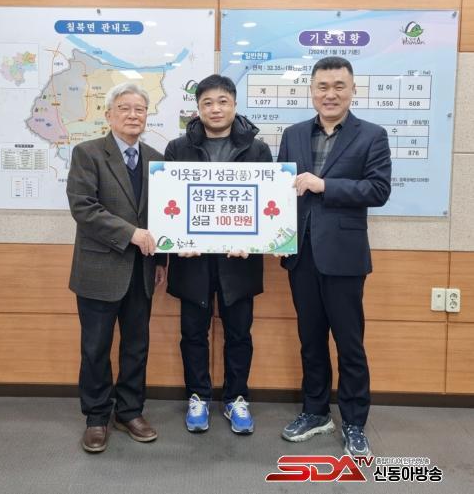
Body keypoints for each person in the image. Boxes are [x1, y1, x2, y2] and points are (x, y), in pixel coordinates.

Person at [277, 56, 391, 456]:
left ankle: (355, 421)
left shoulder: (372, 135)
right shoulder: (293, 134)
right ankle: (316, 412)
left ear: (353, 90)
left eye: (339, 86)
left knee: (349, 342)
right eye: (322, 86)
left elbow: (378, 190)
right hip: (301, 255)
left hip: (344, 256)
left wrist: (325, 185)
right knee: (310, 339)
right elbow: (280, 192)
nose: (330, 94)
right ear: (311, 91)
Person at [164, 74, 272, 434]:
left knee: (239, 333)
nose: (215, 109)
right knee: (193, 333)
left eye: (222, 101)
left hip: (238, 260)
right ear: (197, 108)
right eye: (207, 103)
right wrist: (176, 239)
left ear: (235, 105)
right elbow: (168, 203)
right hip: (192, 260)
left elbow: (266, 205)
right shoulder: (177, 148)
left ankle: (236, 398)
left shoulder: (257, 150)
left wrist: (254, 240)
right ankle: (198, 397)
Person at [67, 82, 166, 453]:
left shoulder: (157, 159)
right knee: (96, 347)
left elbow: (163, 215)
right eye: (124, 108)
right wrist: (131, 234)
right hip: (99, 269)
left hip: (142, 270)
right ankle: (96, 417)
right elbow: (84, 208)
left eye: (139, 109)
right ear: (108, 114)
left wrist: (162, 259)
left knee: (136, 346)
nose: (133, 115)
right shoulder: (88, 153)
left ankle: (129, 412)